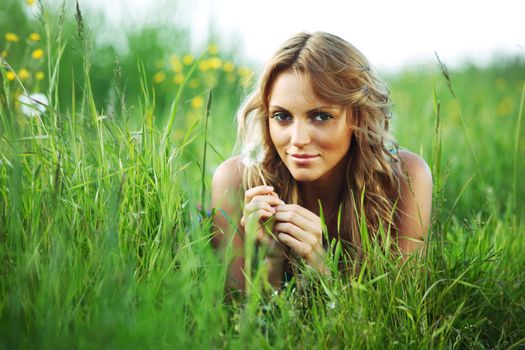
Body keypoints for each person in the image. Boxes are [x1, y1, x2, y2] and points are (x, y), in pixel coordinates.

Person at [211, 31, 432, 290]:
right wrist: (273, 257)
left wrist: (319, 266)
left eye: (321, 116)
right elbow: (234, 317)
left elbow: (404, 318)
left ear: (357, 117)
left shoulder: (404, 177)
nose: (298, 139)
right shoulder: (237, 181)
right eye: (282, 116)